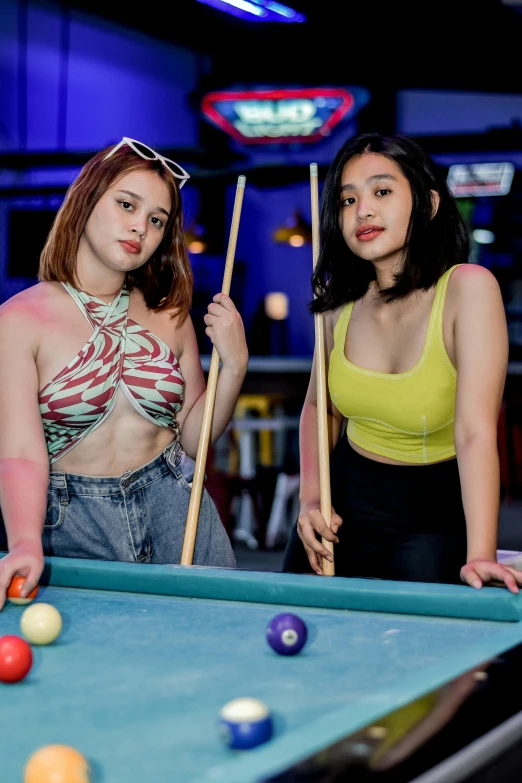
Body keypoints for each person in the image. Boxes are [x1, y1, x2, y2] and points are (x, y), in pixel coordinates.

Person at [0, 137, 248, 608]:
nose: (141, 226)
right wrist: (25, 542)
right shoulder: (18, 320)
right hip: (73, 524)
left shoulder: (170, 312)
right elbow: (18, 452)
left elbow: (192, 442)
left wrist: (234, 366)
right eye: (127, 204)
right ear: (86, 200)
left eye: (157, 219)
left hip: (179, 508)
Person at [283, 132, 522, 592]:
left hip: (431, 517)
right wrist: (312, 499)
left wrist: (480, 555)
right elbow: (319, 409)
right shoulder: (337, 304)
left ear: (428, 204)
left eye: (382, 192)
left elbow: (475, 432)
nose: (362, 210)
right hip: (344, 507)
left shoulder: (467, 289)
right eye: (348, 199)